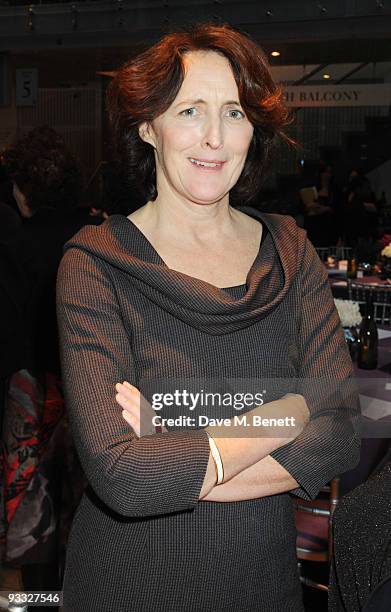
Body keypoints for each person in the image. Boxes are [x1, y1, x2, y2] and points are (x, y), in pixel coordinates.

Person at [56, 24, 360, 611]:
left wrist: (169, 428)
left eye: (235, 113)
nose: (215, 138)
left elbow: (341, 430)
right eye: (190, 110)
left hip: (258, 579)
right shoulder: (98, 263)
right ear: (149, 126)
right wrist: (286, 409)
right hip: (129, 582)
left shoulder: (290, 252)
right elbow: (125, 479)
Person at [0, 126, 98, 603]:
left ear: (25, 187)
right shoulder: (96, 236)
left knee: (35, 520)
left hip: (36, 395)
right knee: (81, 510)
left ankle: (40, 600)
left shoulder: (15, 244)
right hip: (92, 395)